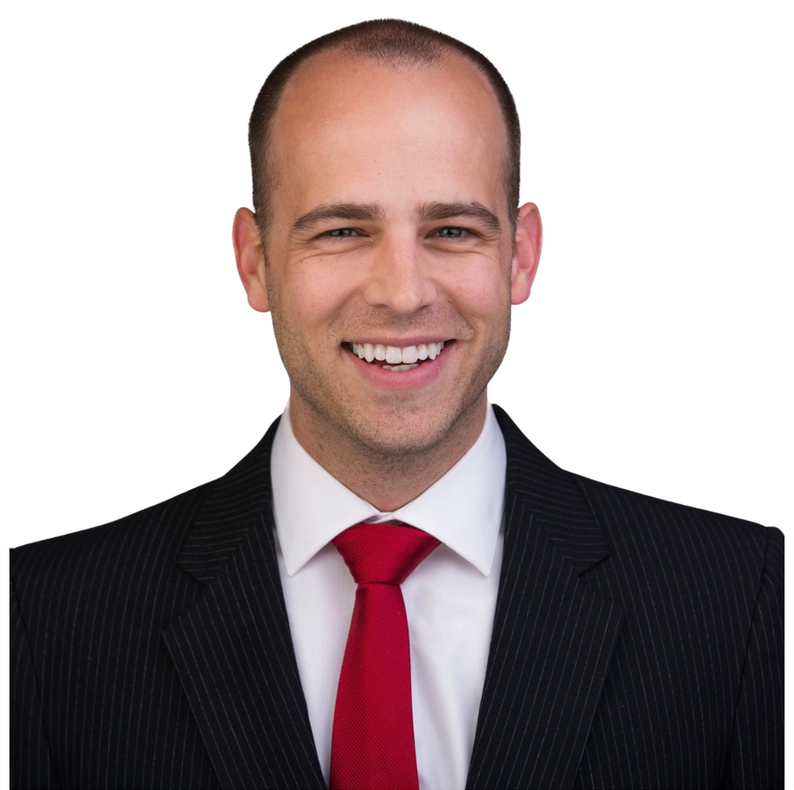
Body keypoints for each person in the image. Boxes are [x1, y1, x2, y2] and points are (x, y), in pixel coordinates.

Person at [10, 14, 783, 790]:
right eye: (344, 231)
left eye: (451, 230)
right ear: (253, 262)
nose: (403, 294)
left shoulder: (742, 600)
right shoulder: (43, 622)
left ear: (523, 258)